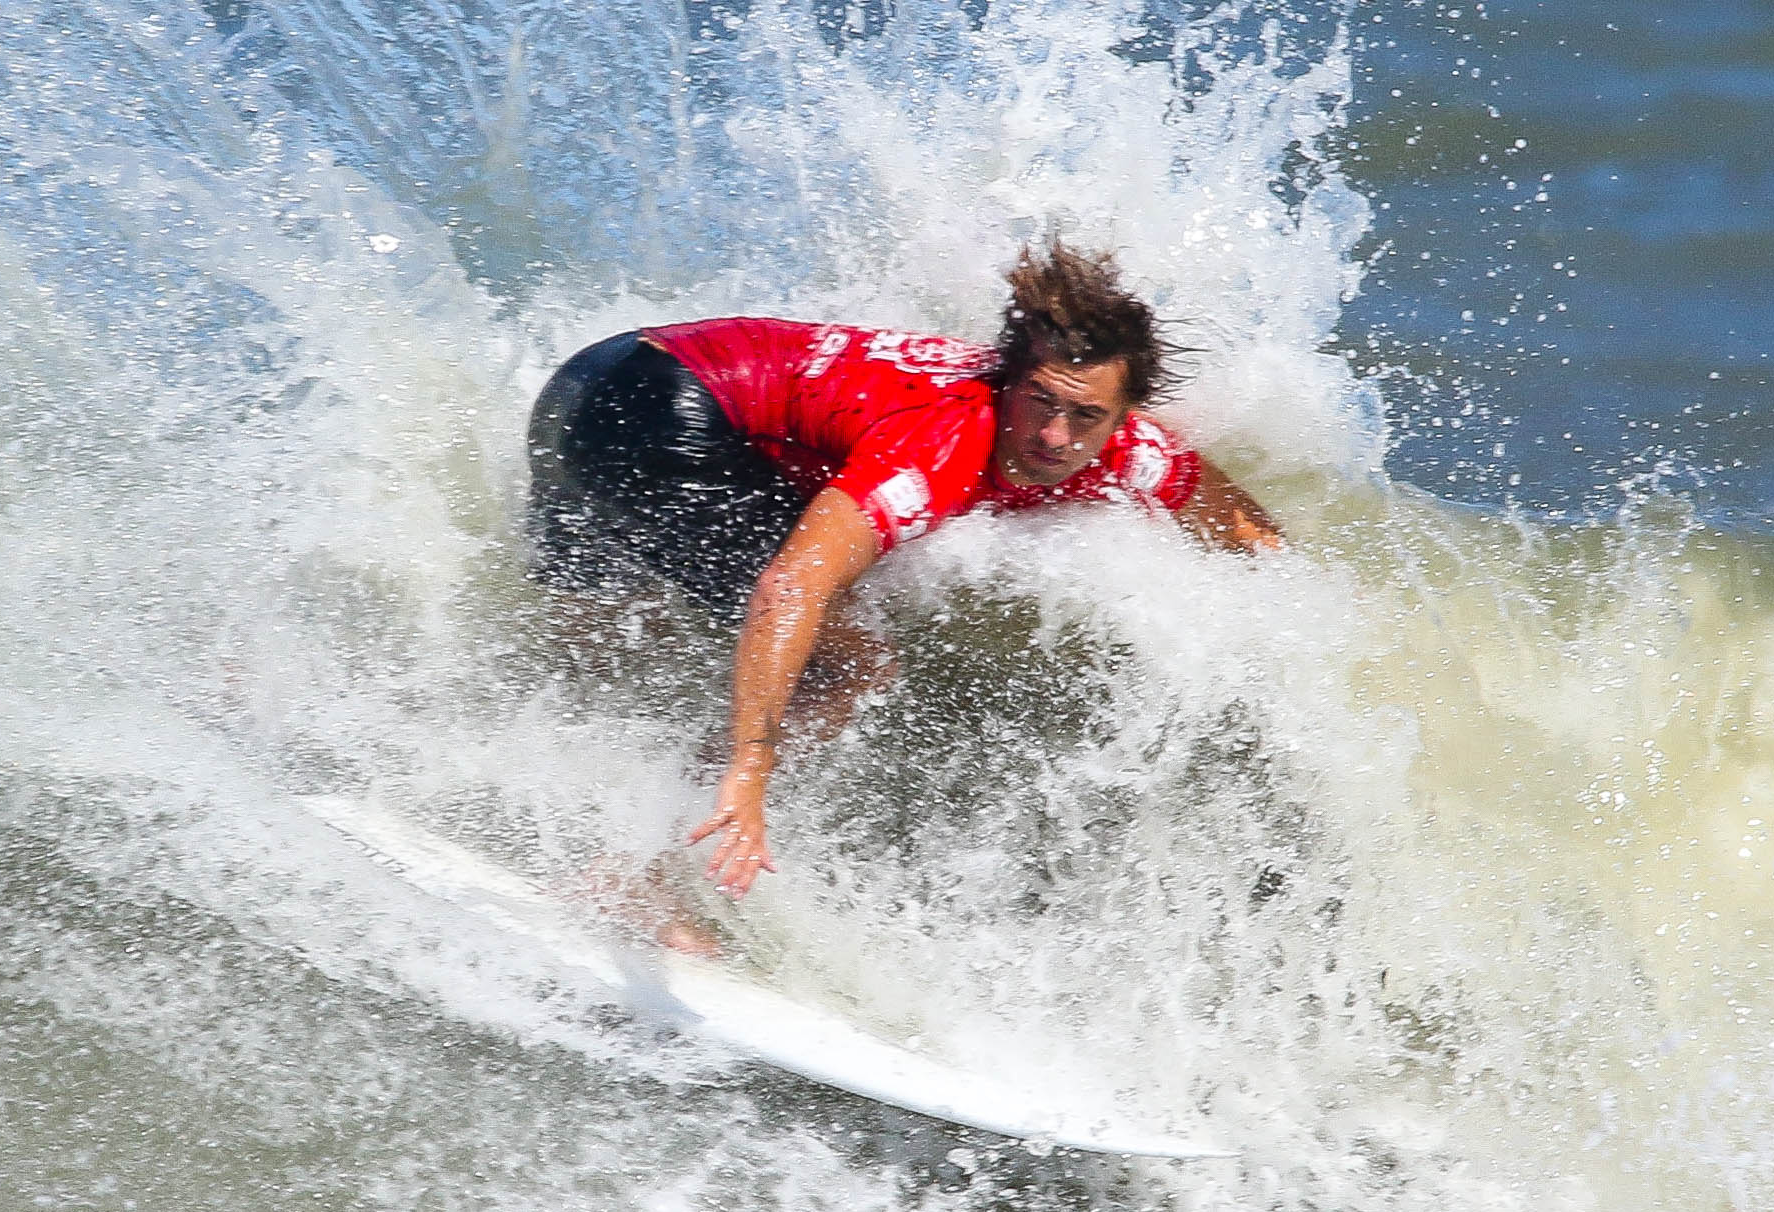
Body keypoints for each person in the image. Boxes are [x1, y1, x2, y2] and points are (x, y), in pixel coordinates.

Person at [525, 242, 1285, 903]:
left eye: (1084, 416)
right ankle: (636, 868)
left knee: (606, 647)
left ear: (1126, 419)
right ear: (1009, 380)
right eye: (1039, 402)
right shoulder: (943, 447)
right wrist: (751, 767)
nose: (1054, 435)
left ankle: (537, 808)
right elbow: (793, 586)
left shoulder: (1138, 453)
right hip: (660, 420)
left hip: (587, 381)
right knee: (856, 663)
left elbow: (1247, 528)